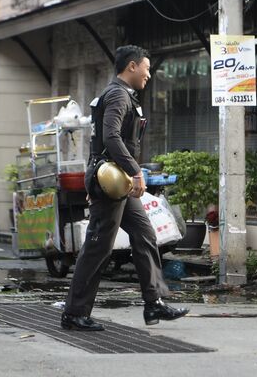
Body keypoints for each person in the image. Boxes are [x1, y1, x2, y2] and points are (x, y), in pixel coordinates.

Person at [61, 45, 189, 331]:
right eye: (146, 67)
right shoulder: (118, 94)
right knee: (98, 247)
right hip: (113, 180)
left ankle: (154, 303)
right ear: (131, 66)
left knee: (144, 233)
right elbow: (111, 137)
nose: (148, 74)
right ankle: (74, 313)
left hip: (114, 180)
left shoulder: (122, 94)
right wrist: (134, 171)